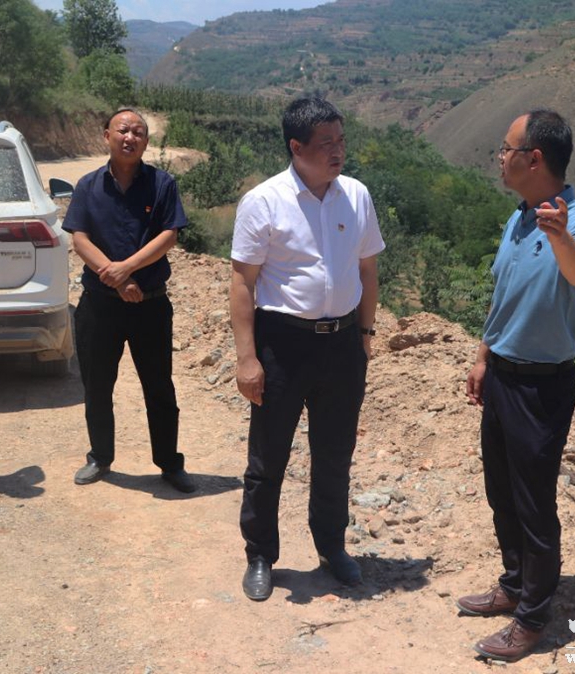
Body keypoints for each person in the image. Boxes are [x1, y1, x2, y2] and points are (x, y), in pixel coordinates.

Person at [458, 109, 575, 662]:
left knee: (534, 504)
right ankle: (514, 584)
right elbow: (504, 297)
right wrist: (482, 357)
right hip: (502, 375)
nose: (500, 157)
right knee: (501, 492)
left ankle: (532, 618)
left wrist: (561, 236)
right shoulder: (519, 218)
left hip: (542, 387)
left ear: (534, 158)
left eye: (506, 148)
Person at [230, 97, 384, 601]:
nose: (338, 151)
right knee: (268, 454)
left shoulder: (356, 196)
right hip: (283, 344)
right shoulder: (264, 201)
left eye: (341, 140)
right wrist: (247, 358)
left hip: (342, 343)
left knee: (335, 453)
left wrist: (365, 334)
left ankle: (332, 546)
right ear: (296, 147)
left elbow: (367, 269)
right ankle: (260, 554)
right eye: (326, 143)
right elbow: (242, 283)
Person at [63, 108, 196, 494]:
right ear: (106, 135)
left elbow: (170, 235)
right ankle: (100, 457)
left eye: (138, 133)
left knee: (159, 387)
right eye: (123, 130)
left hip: (150, 305)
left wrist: (127, 269)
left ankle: (169, 463)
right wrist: (117, 278)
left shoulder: (162, 184)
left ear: (146, 142)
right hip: (99, 305)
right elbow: (80, 239)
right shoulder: (88, 186)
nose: (130, 138)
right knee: (97, 385)